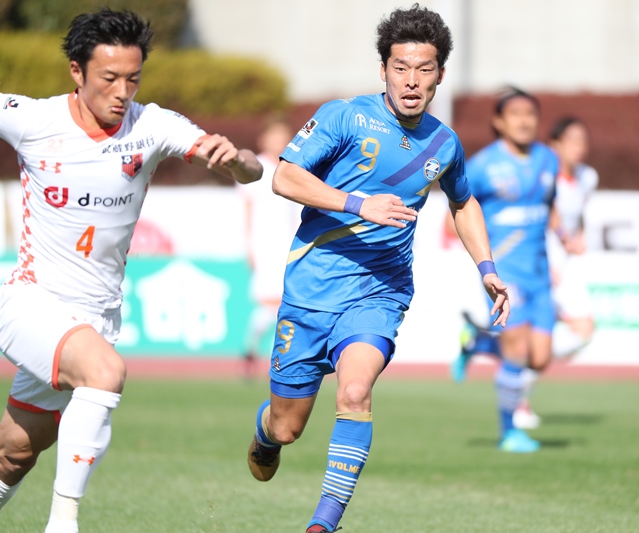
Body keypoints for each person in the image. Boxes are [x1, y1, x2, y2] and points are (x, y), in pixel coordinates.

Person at [245, 5, 510, 532]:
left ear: (439, 74)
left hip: (380, 291)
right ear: (383, 69)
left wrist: (486, 267)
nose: (411, 80)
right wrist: (357, 203)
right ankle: (266, 432)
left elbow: (463, 203)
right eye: (401, 67)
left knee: (354, 393)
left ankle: (323, 524)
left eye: (424, 69)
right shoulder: (344, 116)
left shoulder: (444, 143)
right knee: (288, 426)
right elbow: (285, 177)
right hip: (313, 288)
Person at [0, 9, 262, 532]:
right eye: (109, 78)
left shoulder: (152, 126)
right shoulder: (32, 119)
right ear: (76, 71)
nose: (122, 92)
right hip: (29, 302)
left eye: (133, 79)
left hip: (95, 318)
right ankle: (63, 524)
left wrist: (236, 161)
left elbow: (251, 170)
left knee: (14, 453)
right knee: (104, 373)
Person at [452, 87, 570, 453]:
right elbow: (459, 210)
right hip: (505, 274)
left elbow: (550, 206)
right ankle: (509, 432)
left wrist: (564, 236)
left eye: (530, 114)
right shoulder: (482, 166)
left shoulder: (548, 159)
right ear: (499, 122)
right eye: (515, 114)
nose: (524, 121)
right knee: (517, 350)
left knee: (540, 357)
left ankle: (479, 342)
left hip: (539, 272)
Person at [237, 115, 300, 378]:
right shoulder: (256, 167)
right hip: (265, 244)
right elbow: (246, 208)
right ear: (264, 139)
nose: (279, 142)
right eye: (274, 136)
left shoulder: (293, 168)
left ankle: (263, 352)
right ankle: (258, 349)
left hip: (288, 243)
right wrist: (249, 246)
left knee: (287, 302)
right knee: (273, 302)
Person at [547, 116, 597, 358]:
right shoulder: (544, 175)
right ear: (555, 144)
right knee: (527, 333)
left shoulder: (587, 176)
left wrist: (580, 237)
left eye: (583, 141)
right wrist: (548, 261)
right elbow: (549, 214)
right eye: (572, 140)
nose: (579, 147)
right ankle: (481, 342)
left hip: (567, 260)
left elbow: (581, 213)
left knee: (584, 331)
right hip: (544, 254)